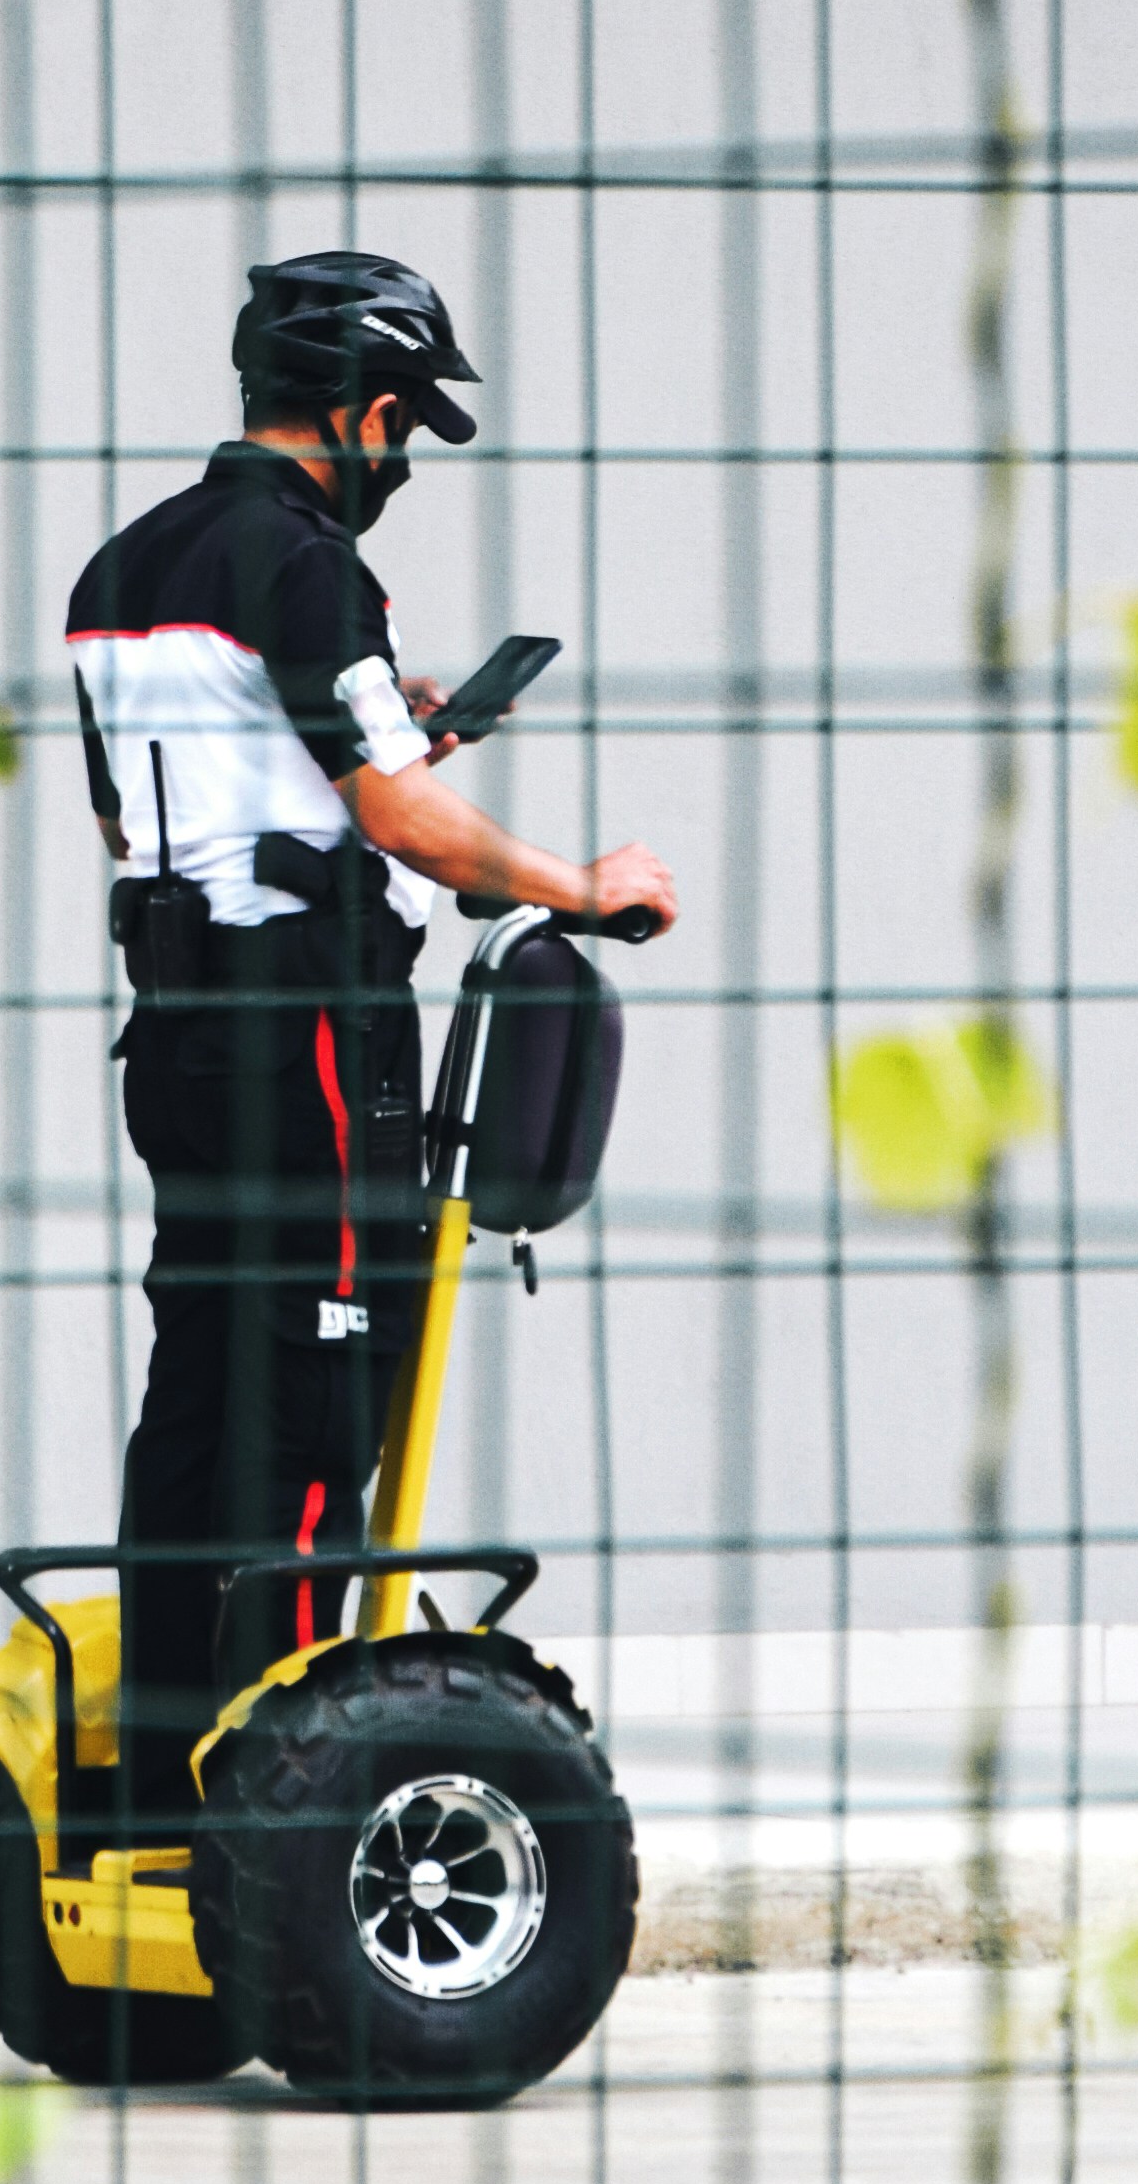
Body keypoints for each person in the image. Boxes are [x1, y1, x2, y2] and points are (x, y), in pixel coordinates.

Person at [65, 250, 678, 1807]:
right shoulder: (307, 565)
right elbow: (395, 819)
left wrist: (405, 725)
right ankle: (278, 1781)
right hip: (308, 1041)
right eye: (404, 427)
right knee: (313, 1395)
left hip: (176, 1033)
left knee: (197, 1394)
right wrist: (583, 885)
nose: (400, 459)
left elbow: (150, 812)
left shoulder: (119, 571)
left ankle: (160, 1760)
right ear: (361, 410)